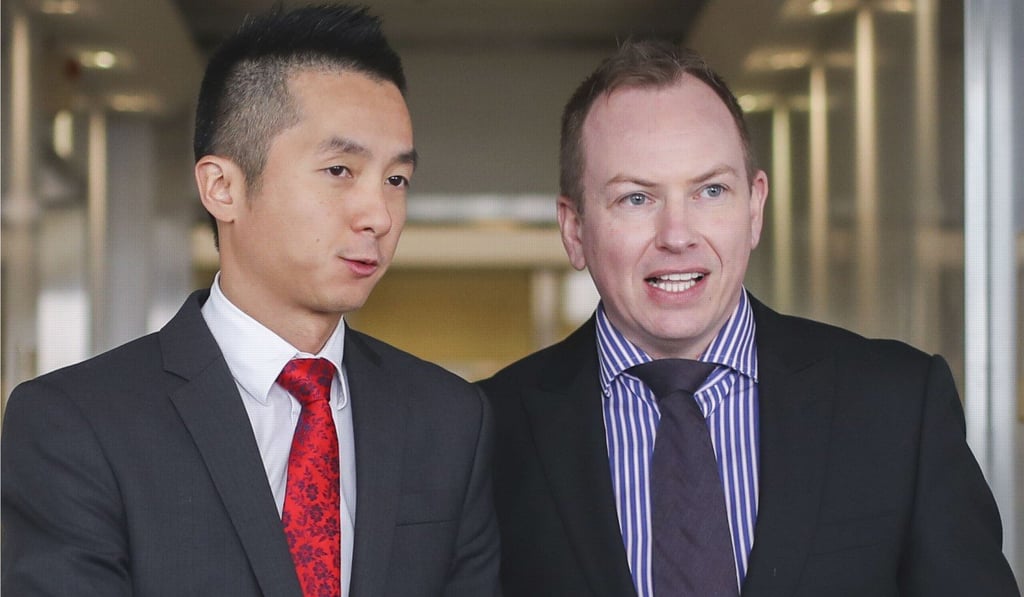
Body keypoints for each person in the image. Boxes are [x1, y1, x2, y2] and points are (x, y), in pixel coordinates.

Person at [478, 40, 1019, 597]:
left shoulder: (897, 407)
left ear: (754, 208)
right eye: (637, 199)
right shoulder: (483, 434)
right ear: (574, 229)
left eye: (711, 190)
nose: (677, 236)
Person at [2, 5, 500, 596]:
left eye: (396, 180)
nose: (379, 215)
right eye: (339, 170)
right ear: (223, 187)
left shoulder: (448, 420)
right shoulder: (78, 424)